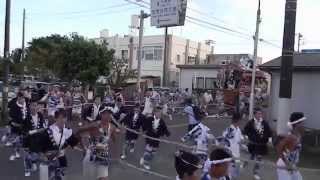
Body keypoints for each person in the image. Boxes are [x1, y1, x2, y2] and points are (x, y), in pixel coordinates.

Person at [31, 109, 79, 180]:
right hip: (50, 159)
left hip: (61, 160)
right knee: (51, 176)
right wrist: (44, 154)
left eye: (64, 117)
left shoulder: (67, 130)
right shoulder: (49, 131)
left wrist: (66, 148)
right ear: (55, 118)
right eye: (60, 118)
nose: (63, 120)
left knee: (60, 175)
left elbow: (74, 142)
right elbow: (39, 145)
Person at [79, 104, 118, 180]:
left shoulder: (112, 127)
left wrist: (115, 155)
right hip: (91, 157)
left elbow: (114, 140)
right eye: (106, 113)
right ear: (101, 114)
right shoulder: (94, 125)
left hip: (103, 157)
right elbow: (79, 133)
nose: (109, 116)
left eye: (110, 113)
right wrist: (84, 147)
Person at [243, 108, 272, 180]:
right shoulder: (251, 122)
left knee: (259, 158)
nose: (260, 115)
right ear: (255, 114)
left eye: (260, 113)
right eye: (258, 113)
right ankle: (244, 164)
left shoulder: (264, 122)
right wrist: (247, 136)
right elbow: (246, 130)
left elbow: (269, 131)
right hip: (253, 143)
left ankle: (255, 172)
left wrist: (270, 139)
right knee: (251, 156)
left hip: (262, 144)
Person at [276, 112, 305, 180]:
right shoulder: (290, 137)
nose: (303, 124)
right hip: (283, 164)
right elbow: (279, 148)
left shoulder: (299, 135)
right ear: (297, 124)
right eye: (302, 123)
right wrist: (287, 163)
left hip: (292, 164)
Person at [140, 106, 170, 170]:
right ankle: (146, 163)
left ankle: (144, 158)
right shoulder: (149, 119)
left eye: (160, 113)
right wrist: (144, 132)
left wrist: (168, 134)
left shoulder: (162, 121)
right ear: (154, 112)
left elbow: (165, 129)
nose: (159, 114)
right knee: (148, 151)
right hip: (149, 138)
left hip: (156, 139)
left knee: (153, 153)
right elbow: (143, 125)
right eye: (158, 112)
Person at [22, 100, 47, 177]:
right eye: (32, 105)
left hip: (39, 139)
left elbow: (43, 126)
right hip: (29, 140)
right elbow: (25, 132)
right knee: (27, 156)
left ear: (38, 107)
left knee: (37, 155)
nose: (34, 107)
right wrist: (37, 131)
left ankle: (33, 163)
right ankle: (27, 169)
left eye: (35, 105)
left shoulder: (40, 115)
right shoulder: (26, 118)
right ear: (29, 107)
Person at [220, 112, 244, 180]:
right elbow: (223, 142)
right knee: (228, 174)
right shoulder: (229, 130)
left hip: (236, 155)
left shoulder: (238, 129)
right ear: (238, 120)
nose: (241, 121)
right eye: (241, 119)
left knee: (235, 174)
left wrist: (243, 146)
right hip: (230, 155)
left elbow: (240, 140)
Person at [8, 92, 28, 161]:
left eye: (23, 98)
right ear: (18, 98)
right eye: (20, 98)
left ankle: (18, 152)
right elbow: (10, 117)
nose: (22, 100)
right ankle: (14, 153)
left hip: (25, 127)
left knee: (21, 142)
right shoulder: (14, 106)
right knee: (15, 141)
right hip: (16, 126)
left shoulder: (27, 105)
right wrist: (13, 123)